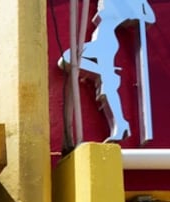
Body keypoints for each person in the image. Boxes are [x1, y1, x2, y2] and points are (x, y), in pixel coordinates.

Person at [59, 0, 156, 141]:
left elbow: (150, 17)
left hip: (105, 42)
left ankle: (107, 75)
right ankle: (121, 123)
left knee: (69, 57)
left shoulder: (122, 7)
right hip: (102, 41)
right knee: (107, 87)